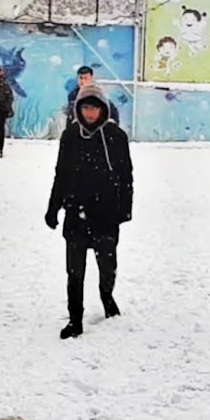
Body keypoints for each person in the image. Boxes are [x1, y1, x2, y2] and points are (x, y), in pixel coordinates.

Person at [45, 83, 133, 340]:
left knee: (107, 265)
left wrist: (124, 208)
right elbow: (60, 174)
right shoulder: (71, 136)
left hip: (106, 214)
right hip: (75, 212)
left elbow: (126, 176)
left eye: (94, 107)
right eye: (85, 107)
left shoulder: (116, 137)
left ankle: (106, 295)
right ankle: (75, 318)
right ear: (78, 109)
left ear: (103, 109)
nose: (90, 113)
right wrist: (53, 208)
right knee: (75, 271)